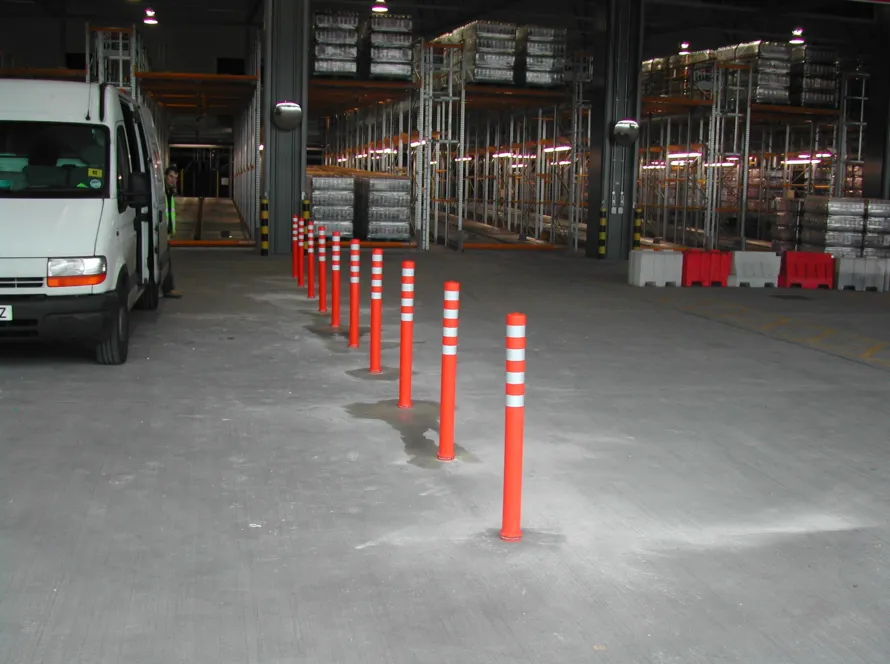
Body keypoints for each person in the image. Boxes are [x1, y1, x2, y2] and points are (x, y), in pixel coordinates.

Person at [163, 166, 183, 298]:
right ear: (165, 176)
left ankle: (167, 288)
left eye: (175, 178)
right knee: (166, 261)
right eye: (170, 177)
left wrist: (172, 229)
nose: (173, 180)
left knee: (166, 260)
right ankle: (168, 288)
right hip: (160, 230)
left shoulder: (170, 192)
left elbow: (171, 213)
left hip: (167, 232)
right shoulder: (162, 192)